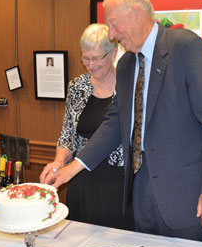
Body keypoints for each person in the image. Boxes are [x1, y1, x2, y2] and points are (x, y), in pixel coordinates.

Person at [44, 0, 202, 242]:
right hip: (140, 195)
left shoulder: (186, 48)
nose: (111, 34)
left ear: (136, 13)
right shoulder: (126, 63)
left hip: (185, 196)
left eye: (113, 23)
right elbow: (115, 123)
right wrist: (70, 169)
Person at [39, 23, 134, 231]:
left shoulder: (129, 87)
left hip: (117, 182)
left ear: (114, 52)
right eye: (85, 58)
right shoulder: (77, 86)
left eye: (96, 58)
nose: (90, 64)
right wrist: (58, 161)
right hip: (80, 179)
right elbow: (68, 134)